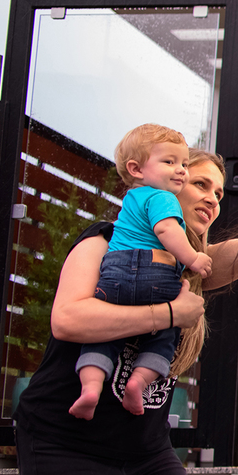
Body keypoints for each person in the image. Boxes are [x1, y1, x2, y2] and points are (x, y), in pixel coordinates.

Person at [14, 106, 238, 475]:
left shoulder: (198, 269)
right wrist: (167, 316)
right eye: (199, 184)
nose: (212, 199)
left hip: (145, 454)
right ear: (162, 187)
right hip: (63, 446)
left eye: (218, 192)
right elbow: (68, 320)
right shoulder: (103, 243)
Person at [72, 124, 213, 420]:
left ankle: (91, 388)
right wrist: (193, 258)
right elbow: (166, 230)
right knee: (164, 336)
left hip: (115, 274)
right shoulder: (163, 198)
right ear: (135, 168)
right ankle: (138, 382)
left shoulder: (131, 200)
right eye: (170, 162)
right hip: (155, 274)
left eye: (184, 164)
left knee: (101, 336)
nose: (181, 170)